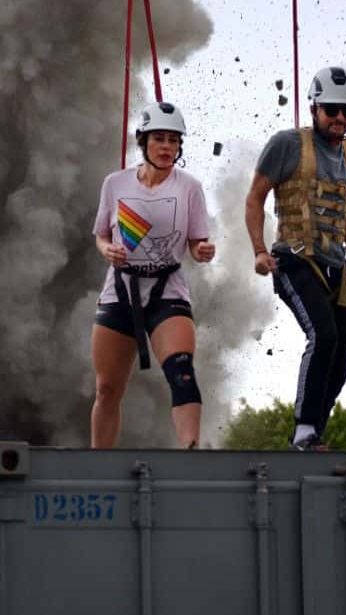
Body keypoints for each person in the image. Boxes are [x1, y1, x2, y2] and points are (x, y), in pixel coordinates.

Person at [244, 66, 346, 451]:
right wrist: (258, 250)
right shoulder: (287, 144)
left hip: (337, 268)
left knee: (340, 353)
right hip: (294, 259)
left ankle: (315, 432)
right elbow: (255, 197)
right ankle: (304, 431)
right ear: (314, 107)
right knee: (323, 334)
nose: (340, 118)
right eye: (332, 110)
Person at [91, 101, 216, 449]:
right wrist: (107, 250)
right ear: (142, 141)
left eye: (174, 140)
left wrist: (202, 251)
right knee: (107, 388)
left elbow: (196, 242)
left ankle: (192, 451)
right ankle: (99, 461)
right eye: (159, 139)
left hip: (168, 289)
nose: (167, 147)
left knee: (182, 370)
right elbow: (101, 235)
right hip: (121, 290)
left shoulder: (189, 187)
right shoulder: (115, 184)